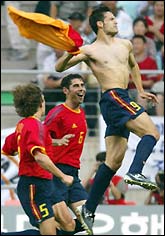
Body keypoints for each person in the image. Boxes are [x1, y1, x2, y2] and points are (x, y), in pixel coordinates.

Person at [55, 6, 160, 234]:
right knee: (152, 133)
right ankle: (136, 171)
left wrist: (140, 90)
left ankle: (88, 210)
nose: (116, 22)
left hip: (122, 96)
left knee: (112, 162)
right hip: (112, 96)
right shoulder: (90, 49)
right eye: (111, 19)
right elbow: (59, 67)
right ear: (100, 24)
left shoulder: (126, 44)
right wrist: (69, 51)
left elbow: (133, 65)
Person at [1, 83, 73, 235]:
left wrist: (55, 142)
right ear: (41, 102)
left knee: (68, 226)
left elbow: (9, 148)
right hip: (34, 185)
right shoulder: (34, 126)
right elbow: (40, 157)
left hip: (42, 185)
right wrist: (63, 176)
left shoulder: (24, 125)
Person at [44, 74, 90, 235]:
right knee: (67, 224)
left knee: (88, 217)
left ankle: (51, 230)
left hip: (73, 173)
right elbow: (40, 137)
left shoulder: (81, 112)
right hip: (56, 172)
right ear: (65, 90)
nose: (81, 89)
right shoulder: (58, 113)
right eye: (76, 86)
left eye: (82, 85)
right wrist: (57, 141)